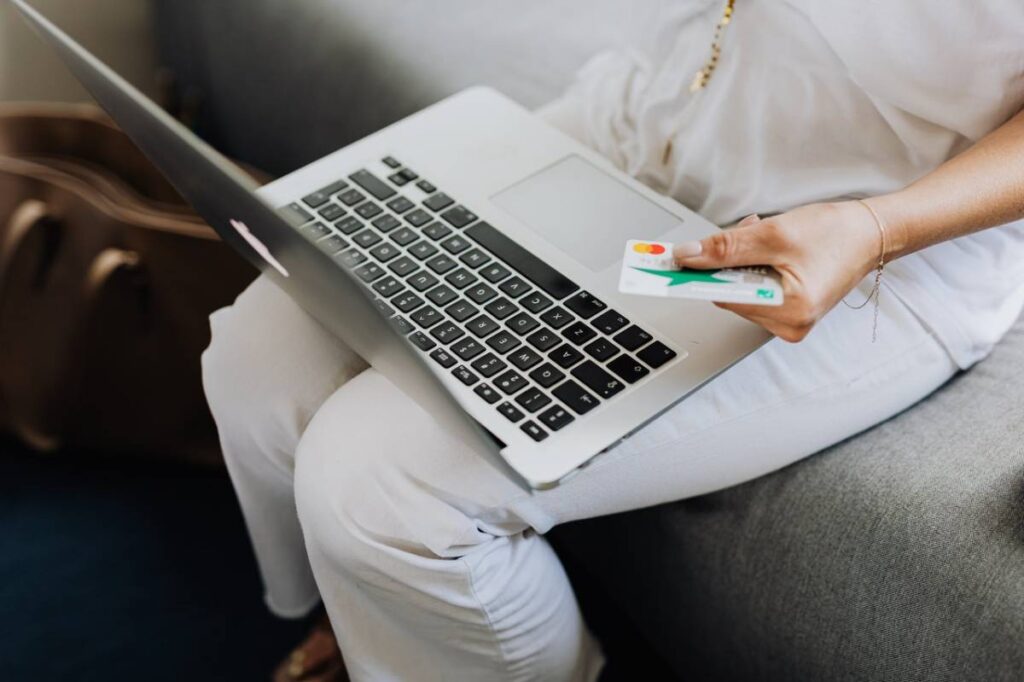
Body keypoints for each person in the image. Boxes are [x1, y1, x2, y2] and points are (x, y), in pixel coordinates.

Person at [201, 1, 1024, 680]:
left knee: (377, 487)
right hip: (641, 118)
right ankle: (369, 628)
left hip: (860, 230)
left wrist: (880, 227)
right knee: (258, 359)